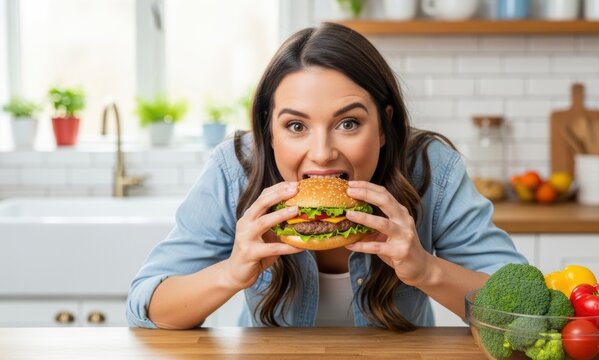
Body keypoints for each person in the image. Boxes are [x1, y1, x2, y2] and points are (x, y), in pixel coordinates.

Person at [126, 22, 527, 331]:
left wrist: (426, 270)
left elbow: (524, 313)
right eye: (296, 127)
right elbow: (146, 305)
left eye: (348, 123)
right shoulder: (236, 169)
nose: (321, 154)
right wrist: (231, 272)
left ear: (384, 126)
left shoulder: (430, 167)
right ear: (269, 129)